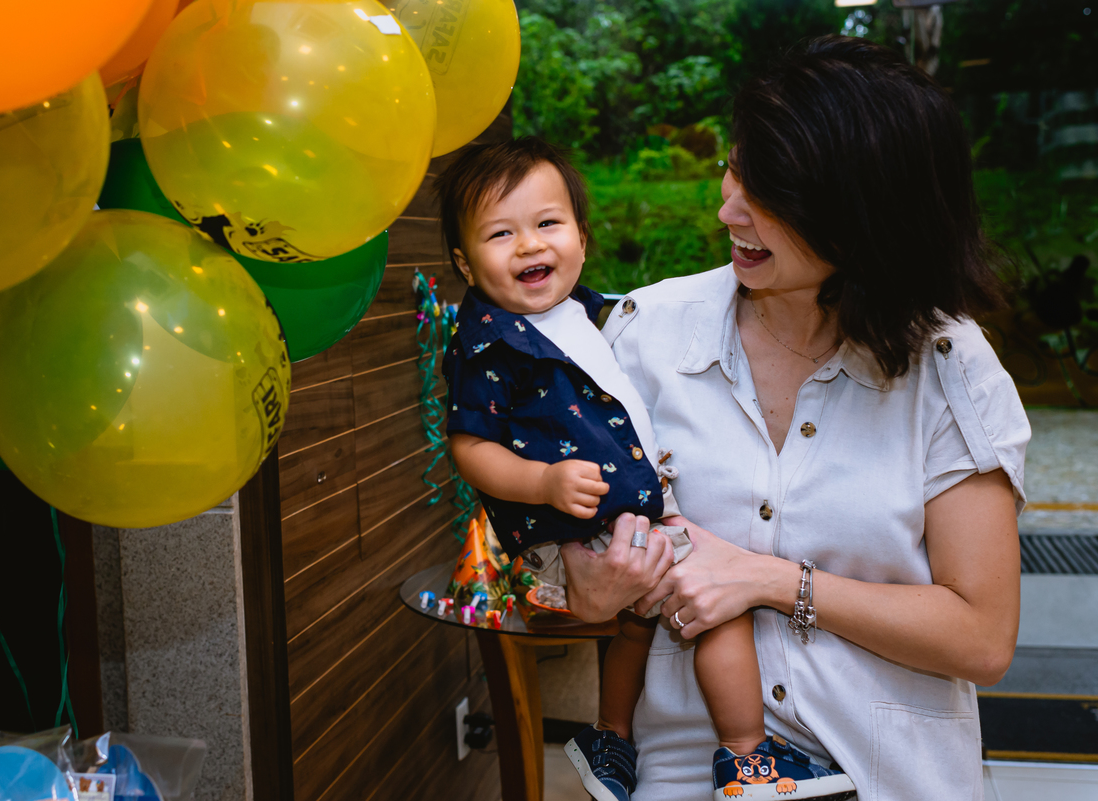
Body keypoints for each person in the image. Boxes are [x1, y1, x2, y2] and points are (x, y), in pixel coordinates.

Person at [558, 36, 1031, 801]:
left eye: (767, 190)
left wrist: (773, 581)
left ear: (861, 214)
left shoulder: (950, 365)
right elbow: (572, 581)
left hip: (890, 777)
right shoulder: (646, 333)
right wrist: (593, 580)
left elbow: (981, 637)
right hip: (688, 777)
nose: (727, 207)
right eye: (737, 167)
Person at [436, 137, 853, 801]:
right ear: (463, 259)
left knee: (639, 623)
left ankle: (612, 742)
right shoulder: (489, 344)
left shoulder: (583, 315)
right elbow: (469, 446)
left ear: (579, 233)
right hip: (571, 530)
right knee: (718, 602)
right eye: (499, 233)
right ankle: (748, 760)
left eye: (548, 223)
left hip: (618, 518)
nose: (529, 245)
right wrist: (542, 481)